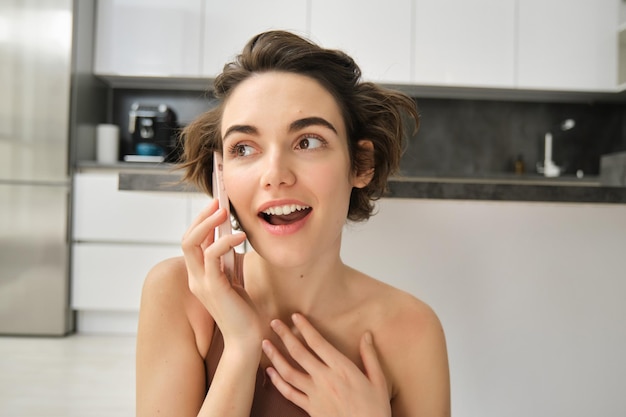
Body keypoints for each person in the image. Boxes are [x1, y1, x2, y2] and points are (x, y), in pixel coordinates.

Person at [136, 30, 450, 417]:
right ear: (222, 175)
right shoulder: (178, 295)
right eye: (244, 148)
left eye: (308, 141)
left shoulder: (413, 331)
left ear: (360, 164)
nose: (275, 175)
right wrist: (239, 349)